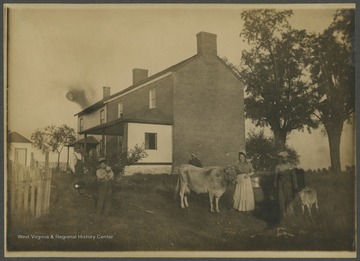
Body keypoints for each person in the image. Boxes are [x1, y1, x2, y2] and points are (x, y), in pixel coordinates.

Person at [273, 151, 298, 222]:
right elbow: (275, 177)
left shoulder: (291, 166)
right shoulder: (278, 167)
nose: (284, 159)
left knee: (289, 199)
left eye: (286, 157)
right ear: (281, 158)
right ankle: (283, 216)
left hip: (288, 185)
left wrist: (295, 186)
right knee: (281, 200)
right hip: (280, 184)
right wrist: (275, 185)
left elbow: (294, 177)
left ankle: (290, 216)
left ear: (288, 158)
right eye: (283, 158)